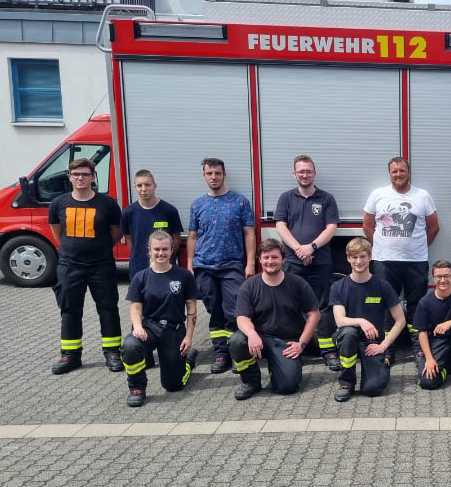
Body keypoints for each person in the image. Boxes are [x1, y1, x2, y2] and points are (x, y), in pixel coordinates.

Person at [48, 158, 123, 374]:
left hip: (102, 265)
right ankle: (70, 355)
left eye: (85, 174)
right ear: (69, 177)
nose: (81, 178)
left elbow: (115, 232)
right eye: (76, 174)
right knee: (70, 310)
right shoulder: (58, 204)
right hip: (70, 266)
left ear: (93, 177)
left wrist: (100, 248)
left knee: (108, 309)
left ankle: (112, 353)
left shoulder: (107, 203)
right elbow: (57, 232)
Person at [362, 157, 439, 367]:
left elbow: (433, 228)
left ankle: (418, 349)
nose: (398, 174)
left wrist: (417, 247)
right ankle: (388, 350)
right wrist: (382, 246)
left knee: (416, 306)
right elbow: (368, 226)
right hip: (384, 261)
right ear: (389, 173)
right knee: (388, 306)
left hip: (416, 261)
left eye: (402, 171)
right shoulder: (378, 195)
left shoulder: (422, 196)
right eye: (394, 171)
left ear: (408, 172)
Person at [187, 157, 256, 374]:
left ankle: (237, 353)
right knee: (214, 310)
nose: (213, 177)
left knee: (234, 311)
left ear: (224, 174)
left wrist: (251, 263)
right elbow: (192, 236)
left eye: (217, 173)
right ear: (204, 176)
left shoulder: (240, 202)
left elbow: (249, 234)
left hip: (231, 265)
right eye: (209, 173)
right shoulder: (197, 204)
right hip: (204, 266)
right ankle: (220, 354)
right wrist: (189, 264)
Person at [229, 238, 320, 400]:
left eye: (274, 257)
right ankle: (251, 381)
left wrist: (301, 344)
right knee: (237, 340)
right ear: (260, 260)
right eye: (266, 257)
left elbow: (314, 314)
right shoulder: (250, 286)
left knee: (288, 387)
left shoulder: (297, 283)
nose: (270, 261)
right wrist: (251, 334)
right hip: (260, 339)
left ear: (283, 259)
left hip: (287, 341)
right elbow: (242, 317)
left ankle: (279, 368)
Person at [274, 155, 340, 371]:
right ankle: (291, 350)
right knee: (289, 306)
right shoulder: (286, 198)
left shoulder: (326, 198)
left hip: (320, 261)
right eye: (300, 171)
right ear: (294, 174)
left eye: (308, 171)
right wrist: (299, 249)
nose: (304, 175)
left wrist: (311, 247)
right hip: (293, 261)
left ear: (314, 173)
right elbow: (281, 226)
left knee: (322, 307)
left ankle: (328, 351)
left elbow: (331, 228)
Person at [120, 230, 199, 407]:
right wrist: (137, 327)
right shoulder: (141, 277)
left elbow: (192, 309)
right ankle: (137, 389)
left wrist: (189, 337)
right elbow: (135, 307)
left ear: (172, 250)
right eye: (156, 249)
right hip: (149, 327)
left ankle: (188, 360)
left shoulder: (184, 276)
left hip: (174, 330)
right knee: (130, 346)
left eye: (165, 249)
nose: (161, 253)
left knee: (173, 386)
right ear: (149, 250)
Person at [120, 169, 183, 369]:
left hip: (166, 269)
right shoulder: (129, 212)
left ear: (155, 185)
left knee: (169, 304)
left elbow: (175, 238)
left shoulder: (168, 210)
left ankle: (169, 344)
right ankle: (143, 352)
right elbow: (130, 241)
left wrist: (166, 259)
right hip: (139, 268)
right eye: (139, 185)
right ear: (134, 187)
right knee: (139, 309)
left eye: (147, 184)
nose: (143, 189)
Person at [330, 237, 405, 402]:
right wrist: (362, 321)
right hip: (349, 338)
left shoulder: (382, 285)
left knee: (372, 389)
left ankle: (382, 365)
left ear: (370, 257)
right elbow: (340, 321)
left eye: (363, 256)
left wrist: (383, 345)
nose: (358, 261)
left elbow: (400, 320)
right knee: (348, 333)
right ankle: (346, 383)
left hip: (373, 343)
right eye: (354, 257)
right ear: (348, 258)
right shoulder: (339, 287)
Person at [414, 260, 451, 399]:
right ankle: (448, 366)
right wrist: (429, 359)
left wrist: (448, 323)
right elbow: (422, 333)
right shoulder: (425, 302)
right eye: (439, 276)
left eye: (446, 276)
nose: (443, 280)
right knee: (426, 382)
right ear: (433, 278)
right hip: (438, 341)